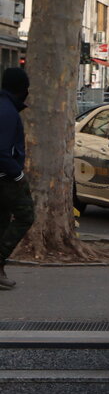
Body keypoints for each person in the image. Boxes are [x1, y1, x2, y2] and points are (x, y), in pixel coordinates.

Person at [0, 67, 31, 290]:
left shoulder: (5, 106)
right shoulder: (8, 111)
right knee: (26, 215)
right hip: (6, 177)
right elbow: (2, 151)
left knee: (2, 221)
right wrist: (17, 174)